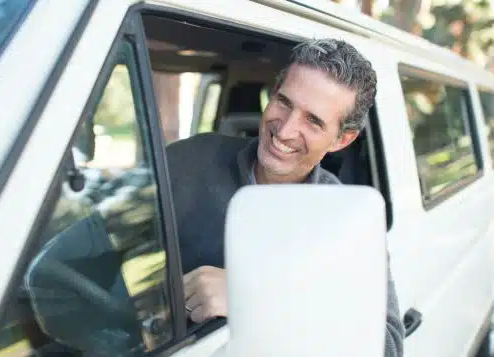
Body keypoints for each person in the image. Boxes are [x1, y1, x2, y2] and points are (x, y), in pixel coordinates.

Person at [165, 38, 405, 357]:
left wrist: (253, 299)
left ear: (342, 139)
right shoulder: (190, 160)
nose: (286, 130)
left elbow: (388, 346)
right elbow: (94, 248)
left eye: (313, 121)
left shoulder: (349, 221)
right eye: (284, 102)